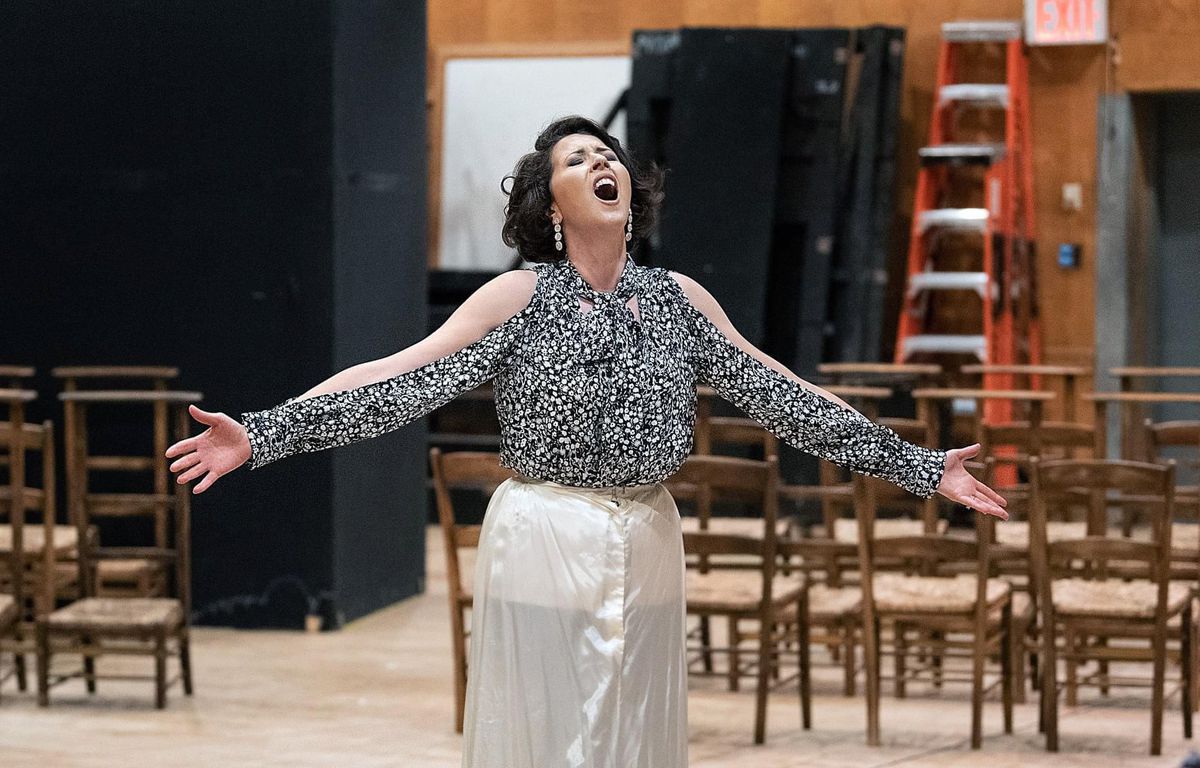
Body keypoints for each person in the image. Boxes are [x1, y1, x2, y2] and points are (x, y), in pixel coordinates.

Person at [166, 115, 1007, 768]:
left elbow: (787, 397)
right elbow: (392, 380)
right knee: (554, 732)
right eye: (577, 160)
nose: (601, 164)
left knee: (631, 728)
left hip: (645, 536)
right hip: (546, 538)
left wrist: (921, 466)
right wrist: (265, 434)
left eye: (609, 156)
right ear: (548, 203)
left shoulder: (679, 300)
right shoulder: (519, 297)